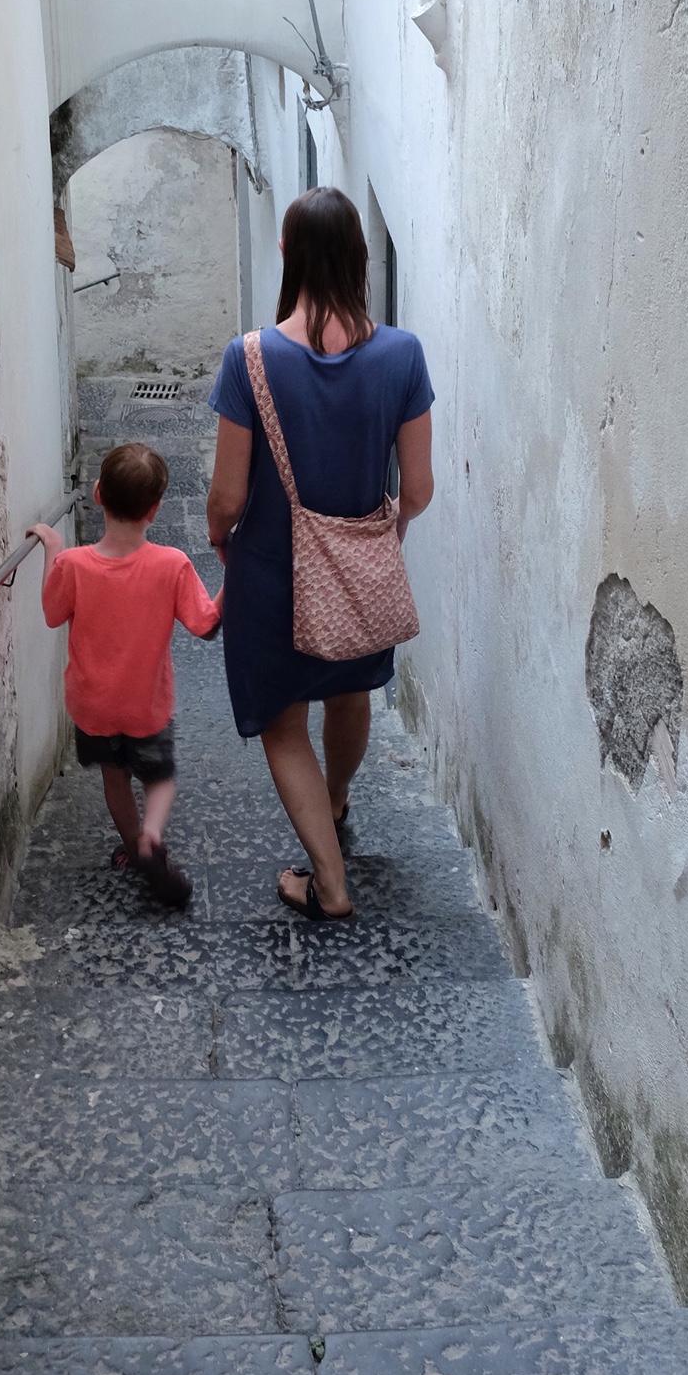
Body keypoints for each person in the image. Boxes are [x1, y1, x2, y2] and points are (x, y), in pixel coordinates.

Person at [206, 188, 434, 920]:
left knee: (282, 722)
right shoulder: (402, 355)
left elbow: (229, 498)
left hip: (273, 575)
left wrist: (219, 539)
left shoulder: (249, 361)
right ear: (362, 260)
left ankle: (329, 885)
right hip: (358, 574)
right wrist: (382, 535)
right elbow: (420, 488)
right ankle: (334, 803)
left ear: (287, 254)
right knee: (350, 690)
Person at [28, 441, 222, 910]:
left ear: (96, 494)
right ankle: (151, 837)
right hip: (145, 706)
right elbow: (205, 624)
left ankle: (130, 841)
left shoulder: (73, 565)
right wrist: (233, 575)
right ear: (155, 510)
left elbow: (53, 614)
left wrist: (53, 548)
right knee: (159, 780)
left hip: (93, 706)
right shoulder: (172, 565)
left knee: (114, 778)